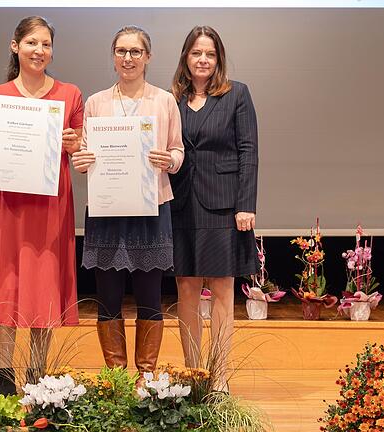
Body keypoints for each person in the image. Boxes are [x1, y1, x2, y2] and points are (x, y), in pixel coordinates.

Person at [0, 16, 83, 395]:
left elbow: (80, 151)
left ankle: (37, 375)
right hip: (11, 205)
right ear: (15, 46)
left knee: (44, 284)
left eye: (46, 44)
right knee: (7, 282)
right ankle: (4, 377)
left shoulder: (70, 94)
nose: (40, 51)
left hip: (51, 205)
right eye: (33, 43)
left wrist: (74, 145)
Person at [71, 25, 183, 382]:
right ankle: (117, 378)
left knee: (150, 296)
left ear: (148, 57)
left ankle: (146, 378)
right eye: (121, 51)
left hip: (152, 209)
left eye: (135, 51)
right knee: (108, 298)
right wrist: (81, 159)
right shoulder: (96, 102)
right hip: (107, 210)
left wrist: (171, 160)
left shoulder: (164, 100)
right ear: (113, 56)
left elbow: (178, 149)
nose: (128, 58)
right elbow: (85, 151)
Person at [169, 25, 258, 390]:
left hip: (224, 207)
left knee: (222, 289)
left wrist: (246, 204)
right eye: (196, 53)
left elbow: (248, 151)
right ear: (186, 59)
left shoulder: (237, 94)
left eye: (209, 54)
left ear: (218, 58)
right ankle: (194, 375)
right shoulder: (171, 98)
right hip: (181, 204)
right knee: (186, 288)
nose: (202, 59)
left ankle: (219, 376)